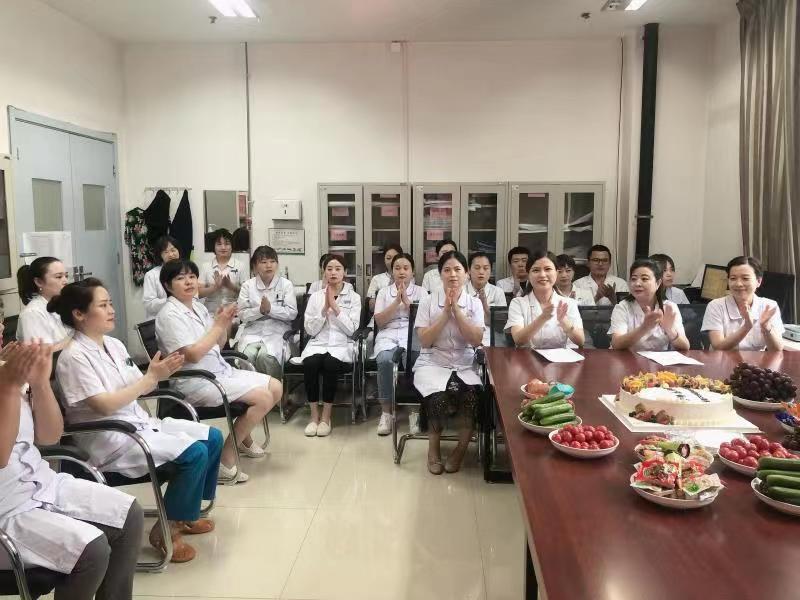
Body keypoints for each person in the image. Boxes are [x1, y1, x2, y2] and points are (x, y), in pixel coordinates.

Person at [53, 278, 223, 563]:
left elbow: (141, 384)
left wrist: (159, 374)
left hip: (138, 424)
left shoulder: (114, 345)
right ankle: (167, 530)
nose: (111, 310)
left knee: (213, 437)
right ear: (79, 314)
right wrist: (149, 379)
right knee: (194, 454)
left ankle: (185, 512)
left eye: (110, 303)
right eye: (103, 305)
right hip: (111, 438)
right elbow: (104, 405)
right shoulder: (73, 357)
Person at [0, 340, 143, 599]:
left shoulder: (8, 370)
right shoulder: (8, 377)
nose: (1, 328)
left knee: (128, 515)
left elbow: (49, 436)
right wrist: (8, 387)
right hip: (6, 510)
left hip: (40, 484)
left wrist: (40, 384)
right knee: (92, 551)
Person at [156, 260, 282, 483]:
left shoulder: (197, 306)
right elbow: (193, 355)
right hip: (196, 381)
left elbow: (219, 344)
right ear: (167, 285)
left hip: (219, 370)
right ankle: (225, 460)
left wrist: (224, 324)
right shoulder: (169, 315)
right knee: (263, 398)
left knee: (276, 387)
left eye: (192, 277)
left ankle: (242, 440)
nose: (188, 282)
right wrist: (217, 326)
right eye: (180, 278)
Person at [414, 250, 484, 475]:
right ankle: (433, 450)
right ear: (440, 274)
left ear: (466, 274)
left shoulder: (474, 304)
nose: (452, 274)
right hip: (433, 361)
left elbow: (476, 340)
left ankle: (460, 451)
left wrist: (458, 313)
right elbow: (425, 341)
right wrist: (445, 313)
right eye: (447, 270)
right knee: (438, 398)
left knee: (471, 397)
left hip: (465, 362)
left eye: (457, 269)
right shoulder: (427, 301)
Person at [301, 255, 361, 437]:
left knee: (330, 364)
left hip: (342, 346)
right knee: (310, 363)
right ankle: (314, 416)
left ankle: (326, 417)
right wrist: (322, 311)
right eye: (329, 269)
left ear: (345, 272)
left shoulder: (354, 298)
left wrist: (335, 308)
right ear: (324, 272)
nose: (333, 272)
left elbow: (351, 329)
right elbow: (310, 329)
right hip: (318, 344)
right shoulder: (315, 297)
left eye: (338, 269)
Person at [371, 252, 428, 436]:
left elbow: (424, 321)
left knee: (415, 361)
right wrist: (396, 302)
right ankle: (386, 413)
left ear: (413, 272)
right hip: (388, 335)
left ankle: (414, 412)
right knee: (385, 361)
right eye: (397, 268)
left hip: (413, 335)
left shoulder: (421, 292)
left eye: (406, 268)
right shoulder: (383, 292)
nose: (402, 272)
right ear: (392, 271)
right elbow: (380, 321)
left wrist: (408, 303)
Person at [234, 245, 298, 381]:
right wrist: (260, 311)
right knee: (247, 357)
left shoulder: (286, 284)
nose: (269, 265)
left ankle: (273, 392)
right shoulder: (247, 286)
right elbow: (242, 314)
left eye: (272, 261)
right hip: (252, 331)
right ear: (255, 266)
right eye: (263, 262)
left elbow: (292, 313)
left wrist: (270, 310)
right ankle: (250, 392)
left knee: (266, 357)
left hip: (278, 331)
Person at [701, 256, 784, 351]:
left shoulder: (769, 306)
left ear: (758, 281)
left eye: (745, 278)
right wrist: (746, 327)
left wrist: (766, 327)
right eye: (733, 278)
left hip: (757, 360)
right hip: (723, 360)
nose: (738, 284)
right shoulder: (716, 306)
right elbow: (718, 347)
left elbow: (777, 350)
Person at [505, 251, 585, 349]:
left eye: (548, 269)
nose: (542, 275)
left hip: (559, 357)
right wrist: (542, 318)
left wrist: (565, 322)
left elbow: (581, 341)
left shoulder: (569, 303)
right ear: (528, 274)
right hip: (527, 357)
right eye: (536, 270)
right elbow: (518, 340)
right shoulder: (518, 303)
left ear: (556, 272)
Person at [609, 258, 690, 351]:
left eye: (644, 279)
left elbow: (685, 346)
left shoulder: (669, 307)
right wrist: (644, 327)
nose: (637, 283)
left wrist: (670, 330)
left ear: (658, 283)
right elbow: (616, 344)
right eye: (633, 279)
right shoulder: (622, 307)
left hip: (658, 360)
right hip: (627, 359)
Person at [16, 257, 71, 346]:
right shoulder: (31, 313)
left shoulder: (63, 304)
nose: (65, 281)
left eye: (66, 276)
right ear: (39, 282)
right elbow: (42, 352)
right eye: (59, 277)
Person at [199, 228, 248, 315]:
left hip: (234, 314)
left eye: (227, 244)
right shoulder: (205, 266)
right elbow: (198, 293)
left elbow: (248, 293)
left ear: (232, 246)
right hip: (210, 314)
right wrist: (215, 287)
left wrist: (232, 286)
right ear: (213, 246)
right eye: (219, 244)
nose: (223, 247)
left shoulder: (241, 266)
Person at [466, 252, 507, 346]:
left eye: (485, 268)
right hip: (466, 341)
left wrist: (484, 304)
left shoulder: (498, 292)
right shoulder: (461, 291)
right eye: (477, 268)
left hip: (492, 342)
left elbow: (500, 326)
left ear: (491, 271)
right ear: (468, 270)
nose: (481, 272)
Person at [143, 235, 181, 319]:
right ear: (160, 255)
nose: (171, 254)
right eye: (165, 252)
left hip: (182, 318)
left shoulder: (185, 272)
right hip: (160, 319)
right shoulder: (152, 275)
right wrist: (172, 301)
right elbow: (148, 304)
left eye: (173, 250)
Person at [366, 243, 403, 310]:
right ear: (384, 259)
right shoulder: (377, 279)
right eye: (388, 258)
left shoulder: (407, 278)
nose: (392, 261)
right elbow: (371, 308)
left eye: (395, 258)